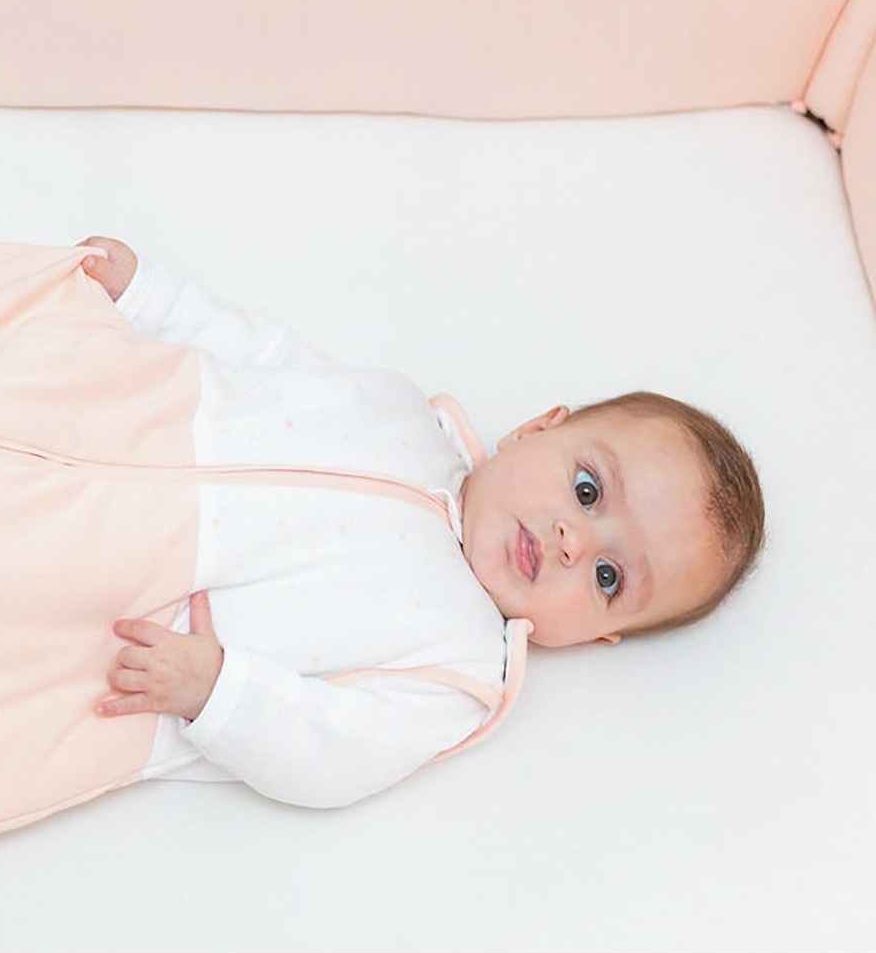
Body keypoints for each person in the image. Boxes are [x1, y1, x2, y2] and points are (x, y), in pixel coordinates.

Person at [77, 235, 765, 808]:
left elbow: (338, 753)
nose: (572, 543)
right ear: (536, 429)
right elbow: (263, 358)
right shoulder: (400, 413)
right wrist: (153, 300)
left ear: (598, 635)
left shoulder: (460, 668)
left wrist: (216, 691)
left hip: (121, 617)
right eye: (587, 490)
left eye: (608, 576)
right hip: (110, 427)